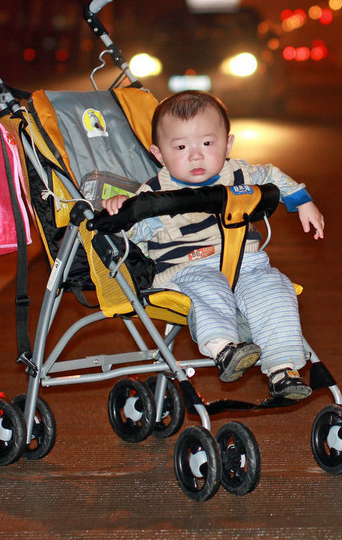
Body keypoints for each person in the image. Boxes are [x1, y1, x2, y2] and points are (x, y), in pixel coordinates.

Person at [101, 90, 325, 400]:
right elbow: (136, 234)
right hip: (187, 268)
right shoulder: (153, 193)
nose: (195, 155)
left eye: (207, 144)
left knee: (276, 287)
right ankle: (225, 349)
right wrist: (120, 211)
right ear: (159, 154)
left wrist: (302, 201)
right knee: (209, 285)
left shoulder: (238, 173)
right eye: (180, 147)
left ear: (228, 144)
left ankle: (282, 368)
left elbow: (271, 175)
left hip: (247, 264)